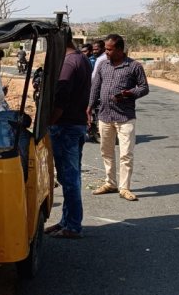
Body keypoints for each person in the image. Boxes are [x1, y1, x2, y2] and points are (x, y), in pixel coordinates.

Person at [87, 33, 149, 201]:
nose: (106, 52)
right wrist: (90, 106)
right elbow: (95, 87)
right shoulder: (102, 65)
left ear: (120, 50)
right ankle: (110, 183)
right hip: (104, 115)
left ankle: (124, 188)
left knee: (126, 154)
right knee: (106, 151)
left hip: (125, 117)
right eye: (105, 49)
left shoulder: (134, 66)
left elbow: (144, 87)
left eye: (109, 49)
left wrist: (129, 93)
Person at [46, 39, 92, 239]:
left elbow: (61, 99)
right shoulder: (81, 59)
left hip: (65, 127)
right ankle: (67, 221)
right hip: (75, 125)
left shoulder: (68, 63)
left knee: (69, 178)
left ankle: (72, 225)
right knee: (70, 177)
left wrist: (48, 124)